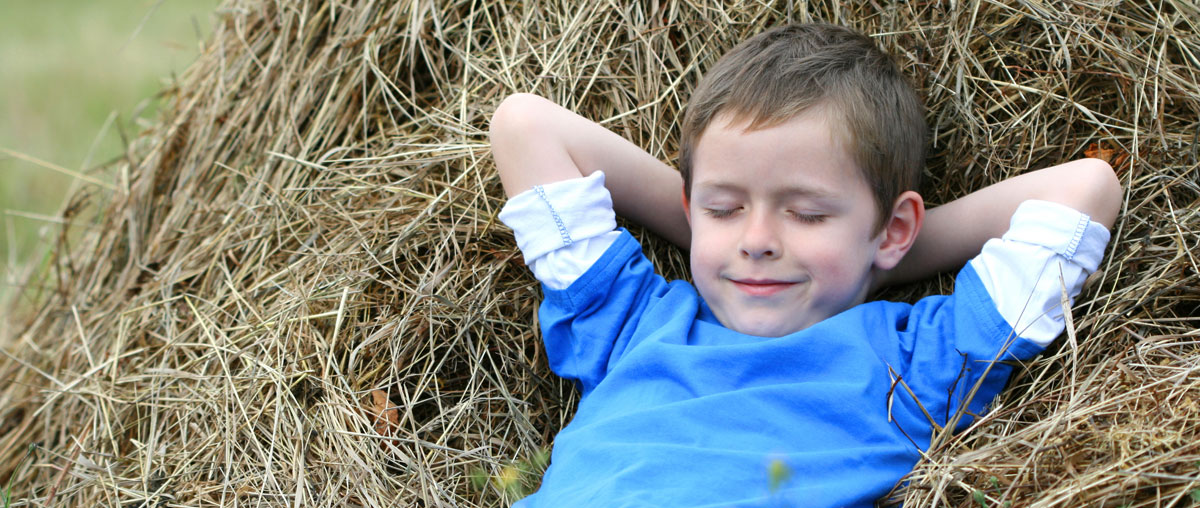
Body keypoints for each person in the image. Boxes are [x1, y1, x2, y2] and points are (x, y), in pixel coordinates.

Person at [488, 23, 1121, 507]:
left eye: (808, 215)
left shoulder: (914, 367)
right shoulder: (634, 325)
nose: (758, 240)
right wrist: (715, 229)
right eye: (725, 207)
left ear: (897, 227)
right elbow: (525, 125)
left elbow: (1085, 188)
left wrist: (879, 257)